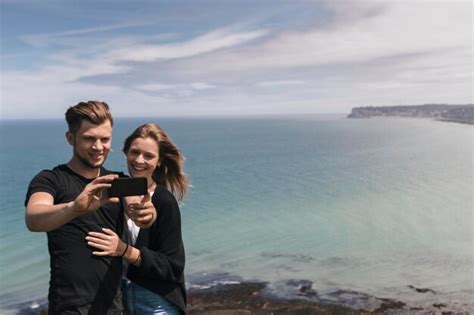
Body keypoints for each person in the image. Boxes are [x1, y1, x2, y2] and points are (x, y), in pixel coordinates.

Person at [25, 101, 156, 314]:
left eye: (105, 139)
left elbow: (140, 210)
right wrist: (75, 208)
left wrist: (148, 213)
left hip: (113, 307)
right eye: (89, 138)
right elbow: (34, 218)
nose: (98, 147)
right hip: (68, 307)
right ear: (71, 138)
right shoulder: (50, 180)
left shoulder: (117, 181)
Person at [86, 123, 189, 314]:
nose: (139, 160)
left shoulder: (164, 201)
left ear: (159, 161)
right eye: (134, 152)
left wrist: (123, 250)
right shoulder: (113, 189)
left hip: (156, 301)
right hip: (120, 298)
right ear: (126, 152)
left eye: (149, 156)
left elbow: (172, 268)